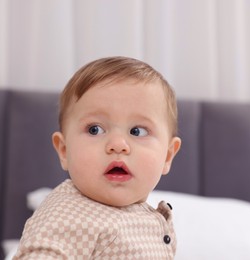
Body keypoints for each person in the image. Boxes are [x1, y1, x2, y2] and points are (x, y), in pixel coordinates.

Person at [14, 56, 182, 259]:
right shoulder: (68, 216)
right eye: (95, 129)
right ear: (64, 150)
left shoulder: (145, 219)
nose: (118, 145)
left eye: (137, 131)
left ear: (167, 155)